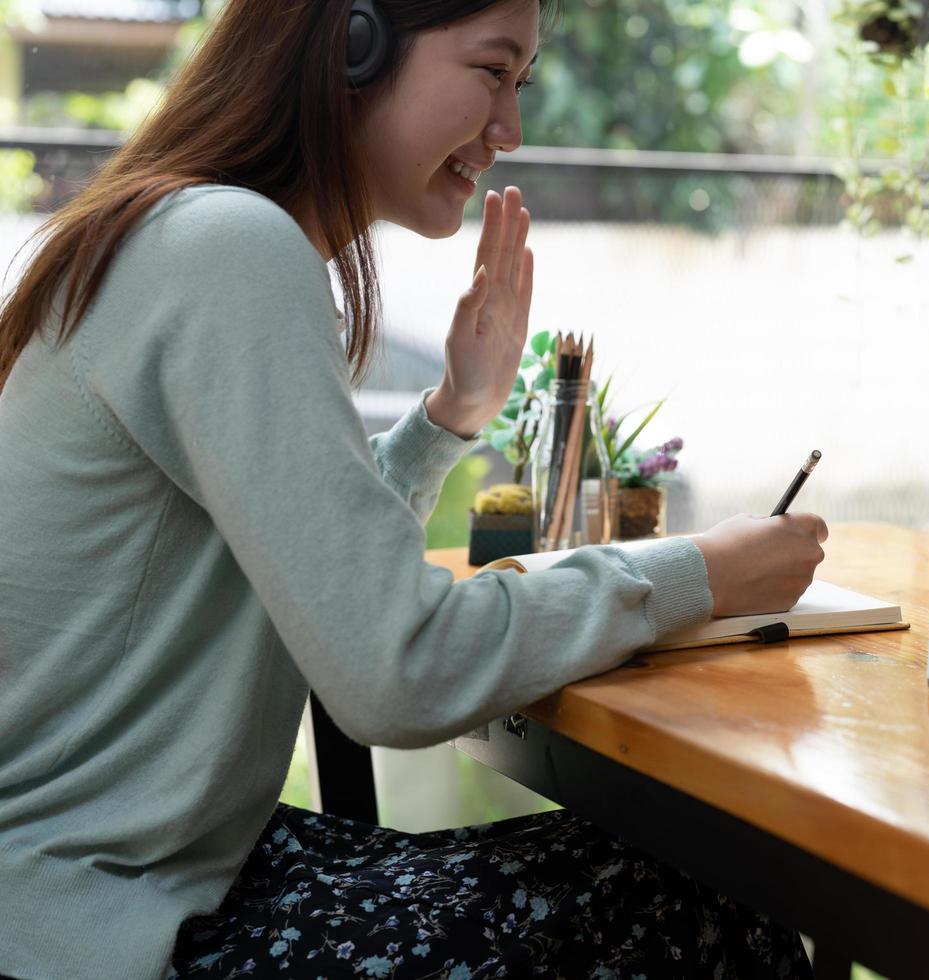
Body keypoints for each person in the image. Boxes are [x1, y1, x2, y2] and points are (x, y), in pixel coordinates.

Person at [0, 0, 827, 976]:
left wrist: (453, 412)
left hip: (154, 870)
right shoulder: (228, 247)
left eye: (520, 83)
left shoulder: (191, 231)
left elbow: (321, 570)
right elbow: (397, 667)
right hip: (85, 918)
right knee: (711, 908)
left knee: (700, 879)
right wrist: (701, 571)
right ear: (353, 42)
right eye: (492, 70)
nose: (511, 128)